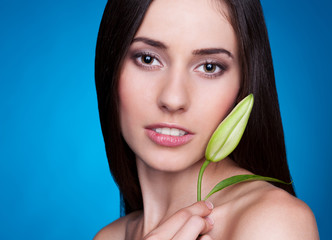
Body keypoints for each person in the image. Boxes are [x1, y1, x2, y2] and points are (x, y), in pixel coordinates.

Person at [94, 0, 319, 239]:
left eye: (209, 67)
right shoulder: (110, 236)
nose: (173, 98)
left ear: (244, 85)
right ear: (110, 64)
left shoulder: (274, 223)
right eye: (148, 59)